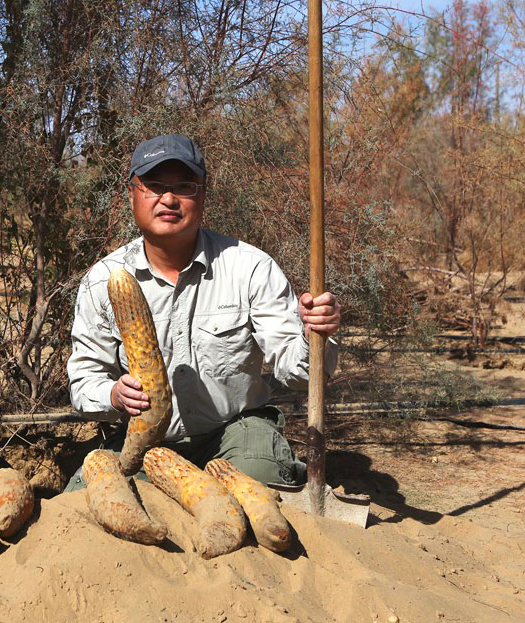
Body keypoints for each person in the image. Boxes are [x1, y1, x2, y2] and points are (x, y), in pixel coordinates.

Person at [67, 135, 341, 487]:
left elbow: (299, 372)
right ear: (132, 194)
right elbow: (84, 379)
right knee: (89, 497)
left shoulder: (251, 268)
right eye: (153, 186)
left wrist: (314, 334)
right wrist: (113, 395)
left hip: (231, 435)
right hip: (146, 439)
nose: (168, 199)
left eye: (184, 186)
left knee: (259, 475)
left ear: (203, 194)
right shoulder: (103, 280)